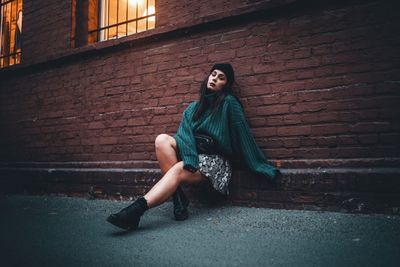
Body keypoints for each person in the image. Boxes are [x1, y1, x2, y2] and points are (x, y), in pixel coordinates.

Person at [106, 63, 281, 230]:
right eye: (213, 74)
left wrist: (260, 165)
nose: (214, 79)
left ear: (226, 84)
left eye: (221, 78)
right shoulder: (192, 109)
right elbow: (183, 136)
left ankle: (135, 211)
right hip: (194, 157)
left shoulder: (229, 103)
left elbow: (244, 136)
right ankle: (178, 199)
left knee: (177, 169)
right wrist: (190, 158)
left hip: (216, 161)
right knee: (161, 140)